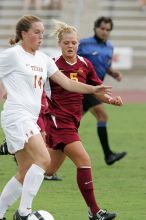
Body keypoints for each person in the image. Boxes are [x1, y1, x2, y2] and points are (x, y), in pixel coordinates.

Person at [0, 15, 111, 220]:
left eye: (42, 33)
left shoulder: (42, 59)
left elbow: (68, 83)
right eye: (36, 32)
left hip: (31, 118)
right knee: (43, 159)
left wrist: (93, 88)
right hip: (17, 115)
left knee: (25, 171)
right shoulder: (13, 55)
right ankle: (24, 213)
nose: (41, 36)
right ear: (24, 34)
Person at [43, 20, 123, 220]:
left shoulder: (85, 64)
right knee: (84, 161)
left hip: (72, 122)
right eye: (66, 43)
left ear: (78, 45)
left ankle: (19, 203)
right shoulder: (52, 65)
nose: (70, 46)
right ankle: (94, 211)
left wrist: (111, 100)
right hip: (57, 121)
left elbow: (97, 89)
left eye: (73, 43)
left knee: (46, 170)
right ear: (60, 44)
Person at [77, 16, 127, 165]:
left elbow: (105, 66)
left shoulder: (109, 47)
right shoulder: (84, 44)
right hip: (84, 88)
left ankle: (42, 151)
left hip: (95, 89)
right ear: (96, 28)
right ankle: (108, 155)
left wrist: (113, 73)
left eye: (107, 29)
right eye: (102, 28)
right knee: (102, 116)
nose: (105, 32)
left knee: (70, 124)